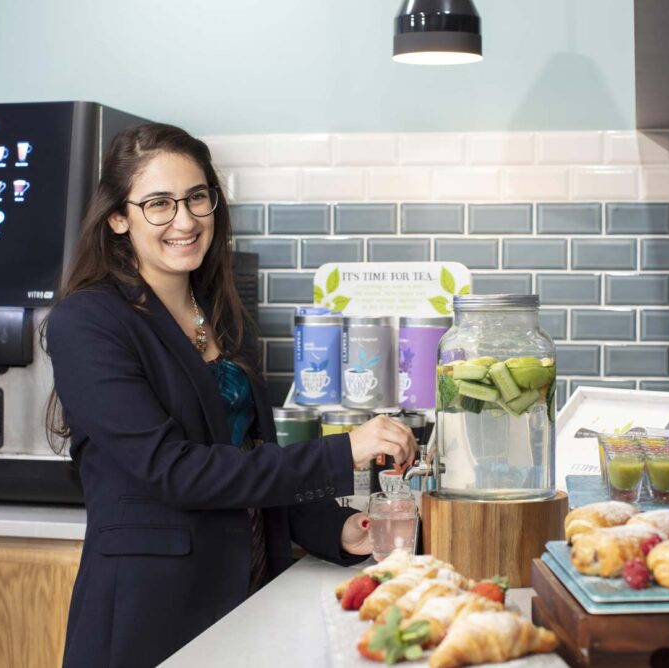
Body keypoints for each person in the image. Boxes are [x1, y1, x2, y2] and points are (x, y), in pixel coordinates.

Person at [45, 123, 418, 668]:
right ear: (119, 218)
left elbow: (248, 463)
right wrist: (342, 451)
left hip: (246, 595)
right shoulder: (87, 322)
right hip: (151, 614)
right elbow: (174, 471)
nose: (185, 219)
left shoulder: (218, 314)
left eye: (197, 197)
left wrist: (334, 529)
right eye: (158, 203)